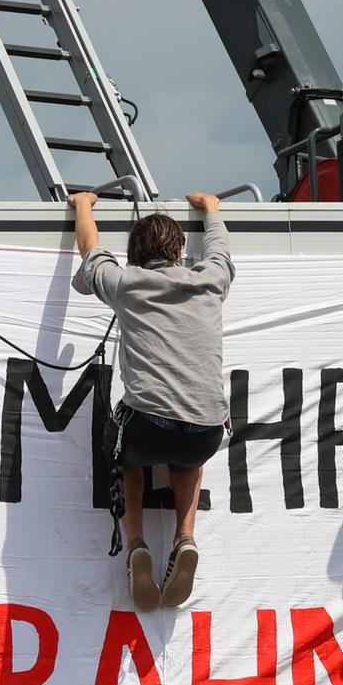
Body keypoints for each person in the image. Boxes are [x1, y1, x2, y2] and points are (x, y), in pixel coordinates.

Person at [69, 190, 233, 612]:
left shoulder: (126, 283)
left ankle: (137, 544)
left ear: (134, 254)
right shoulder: (210, 281)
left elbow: (90, 249)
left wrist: (83, 206)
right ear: (180, 252)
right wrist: (212, 211)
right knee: (189, 455)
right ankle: (185, 537)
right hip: (206, 431)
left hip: (147, 431)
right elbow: (218, 249)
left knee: (127, 454)